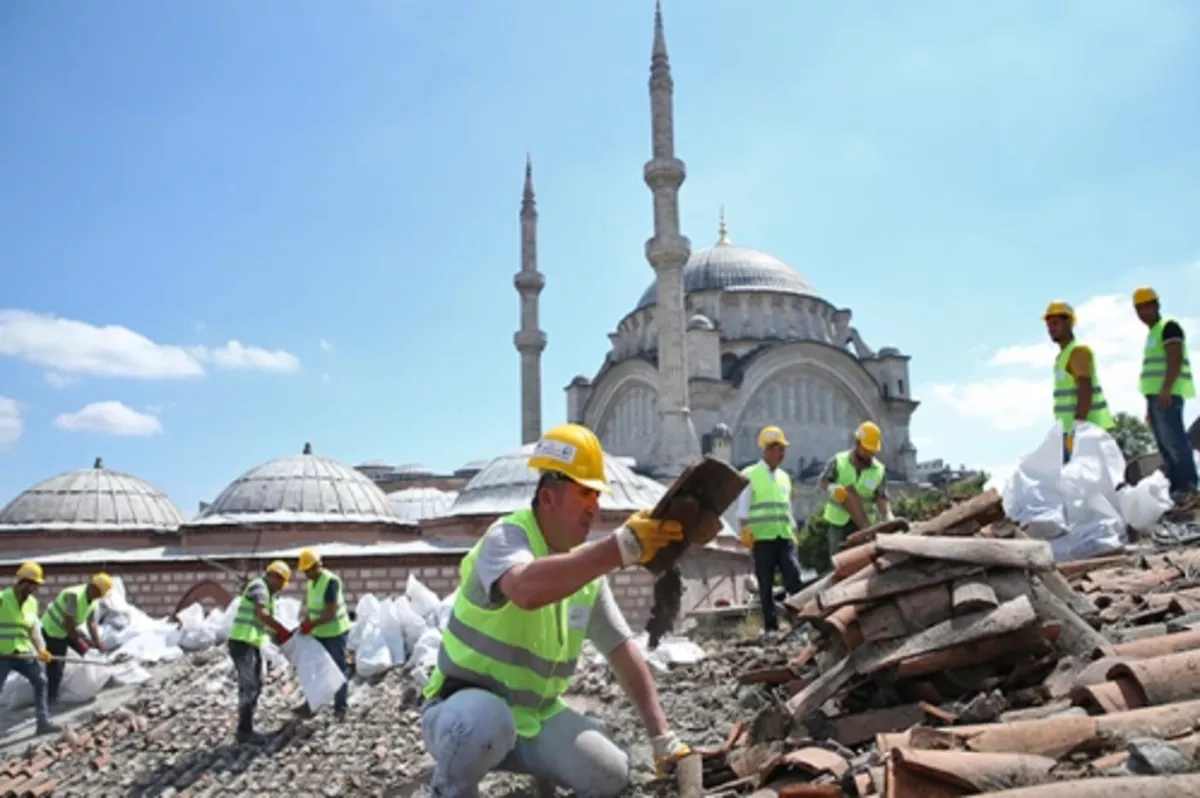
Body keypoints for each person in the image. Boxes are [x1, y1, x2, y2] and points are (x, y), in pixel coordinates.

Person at [420, 423, 693, 798]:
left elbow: (622, 651)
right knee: (483, 723)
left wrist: (663, 737)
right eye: (584, 494)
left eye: (596, 495)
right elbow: (527, 588)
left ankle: (541, 783)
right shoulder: (505, 538)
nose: (595, 508)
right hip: (462, 712)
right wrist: (621, 549)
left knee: (610, 774)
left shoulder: (586, 572)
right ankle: (448, 790)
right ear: (548, 499)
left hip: (534, 719)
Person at [734, 425, 805, 634]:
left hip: (784, 536)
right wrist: (744, 530)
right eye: (778, 448)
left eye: (783, 448)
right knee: (765, 586)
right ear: (766, 449)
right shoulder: (749, 474)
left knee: (794, 577)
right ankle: (771, 628)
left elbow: (787, 506)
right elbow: (743, 508)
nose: (782, 453)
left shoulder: (785, 477)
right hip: (762, 538)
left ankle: (800, 622)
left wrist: (793, 530)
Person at [1133, 286, 1197, 500]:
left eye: (1146, 307)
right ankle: (1175, 489)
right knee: (1165, 446)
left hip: (1167, 394)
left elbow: (1174, 358)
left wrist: (1167, 388)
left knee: (1175, 442)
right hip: (1156, 397)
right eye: (1138, 309)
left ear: (1156, 306)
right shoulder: (1153, 333)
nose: (1142, 313)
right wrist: (1149, 406)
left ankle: (1188, 487)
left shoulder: (1168, 327)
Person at [228, 560, 293, 744]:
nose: (281, 588)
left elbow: (265, 623)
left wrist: (284, 637)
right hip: (242, 642)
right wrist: (281, 630)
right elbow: (262, 615)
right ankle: (244, 731)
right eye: (281, 583)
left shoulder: (267, 593)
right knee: (249, 687)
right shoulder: (259, 587)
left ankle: (247, 728)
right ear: (274, 577)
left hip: (250, 642)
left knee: (256, 685)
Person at [1044, 300, 1114, 461]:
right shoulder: (1063, 356)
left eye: (1055, 323)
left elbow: (1085, 389)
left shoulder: (1077, 352)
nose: (1051, 329)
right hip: (1072, 430)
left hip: (1085, 430)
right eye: (1048, 325)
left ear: (1069, 322)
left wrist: (1078, 427)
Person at [0, 562, 59, 735]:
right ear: (23, 582)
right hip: (2, 654)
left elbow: (33, 629)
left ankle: (43, 723)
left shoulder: (32, 603)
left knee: (40, 681)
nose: (35, 589)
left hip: (22, 652)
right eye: (33, 585)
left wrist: (41, 649)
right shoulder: (3, 599)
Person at [819, 421, 894, 559]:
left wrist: (888, 515)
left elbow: (882, 497)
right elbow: (823, 481)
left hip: (864, 524)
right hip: (839, 523)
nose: (868, 454)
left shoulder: (879, 470)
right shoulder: (838, 461)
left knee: (863, 559)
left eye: (871, 451)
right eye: (865, 450)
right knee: (839, 560)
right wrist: (832, 488)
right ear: (857, 443)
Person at [40, 572, 112, 705]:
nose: (99, 596)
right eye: (98, 592)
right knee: (57, 665)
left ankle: (98, 679)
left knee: (89, 652)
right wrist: (82, 644)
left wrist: (97, 643)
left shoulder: (92, 599)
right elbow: (68, 624)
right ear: (93, 587)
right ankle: (51, 697)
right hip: (53, 630)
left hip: (68, 628)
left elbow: (91, 623)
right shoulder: (74, 596)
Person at [296, 548, 350, 720]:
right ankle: (311, 705)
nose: (306, 574)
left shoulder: (331, 582)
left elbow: (329, 613)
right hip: (319, 632)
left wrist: (310, 625)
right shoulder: (311, 583)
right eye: (304, 571)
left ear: (317, 566)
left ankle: (340, 709)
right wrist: (305, 623)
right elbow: (313, 609)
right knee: (316, 669)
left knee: (337, 669)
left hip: (335, 632)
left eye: (309, 570)